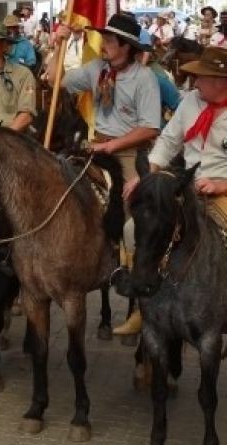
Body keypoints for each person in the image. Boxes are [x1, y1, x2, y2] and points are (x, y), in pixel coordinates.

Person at [51, 14, 162, 336]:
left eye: (110, 41)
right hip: (95, 145)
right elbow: (56, 80)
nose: (104, 45)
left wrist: (114, 145)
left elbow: (151, 127)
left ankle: (140, 294)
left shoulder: (144, 79)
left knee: (134, 214)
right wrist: (59, 44)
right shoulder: (96, 70)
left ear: (125, 47)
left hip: (129, 151)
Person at [121, 47, 227, 332]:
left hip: (223, 190)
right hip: (187, 186)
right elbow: (168, 141)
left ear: (220, 81)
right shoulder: (191, 101)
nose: (194, 83)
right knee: (135, 228)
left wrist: (220, 184)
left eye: (201, 78)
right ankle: (140, 301)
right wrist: (147, 176)